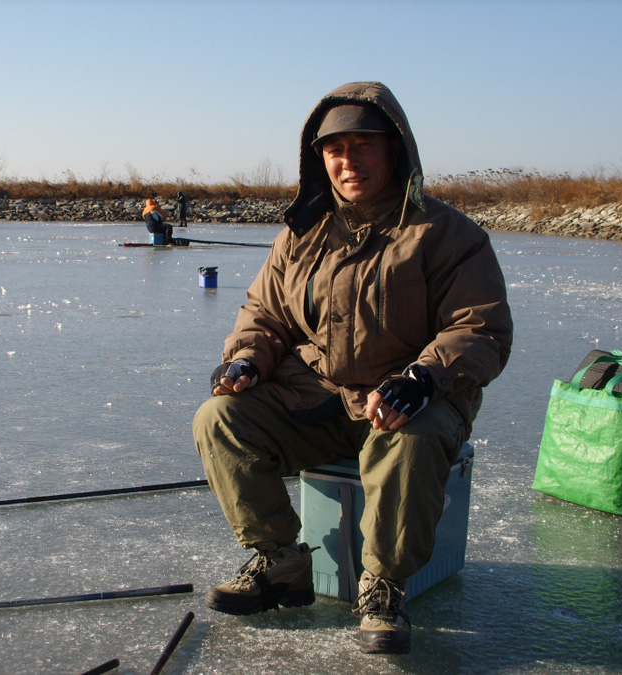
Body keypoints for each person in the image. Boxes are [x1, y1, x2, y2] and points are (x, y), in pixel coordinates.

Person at [192, 81, 513, 655]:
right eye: (336, 149)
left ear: (396, 150)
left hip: (414, 397)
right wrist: (245, 359)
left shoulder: (447, 234)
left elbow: (481, 328)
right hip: (317, 395)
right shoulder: (302, 233)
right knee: (220, 419)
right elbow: (265, 314)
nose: (349, 161)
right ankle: (279, 560)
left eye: (365, 145)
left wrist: (423, 379)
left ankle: (384, 586)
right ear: (319, 159)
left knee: (409, 440)